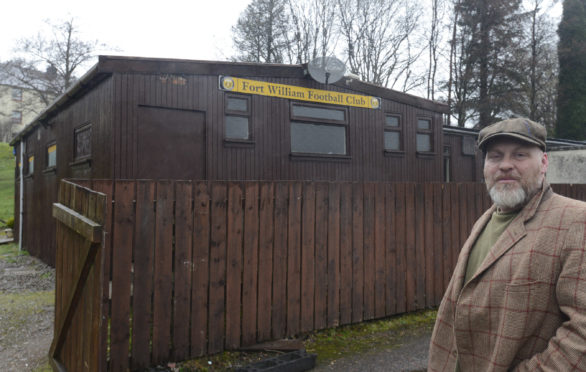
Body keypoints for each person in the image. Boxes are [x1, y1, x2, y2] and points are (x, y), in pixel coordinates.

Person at [428, 118, 586, 371]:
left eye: (520, 155)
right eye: (495, 156)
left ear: (544, 162)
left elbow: (581, 337)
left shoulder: (577, 220)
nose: (505, 165)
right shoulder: (486, 219)